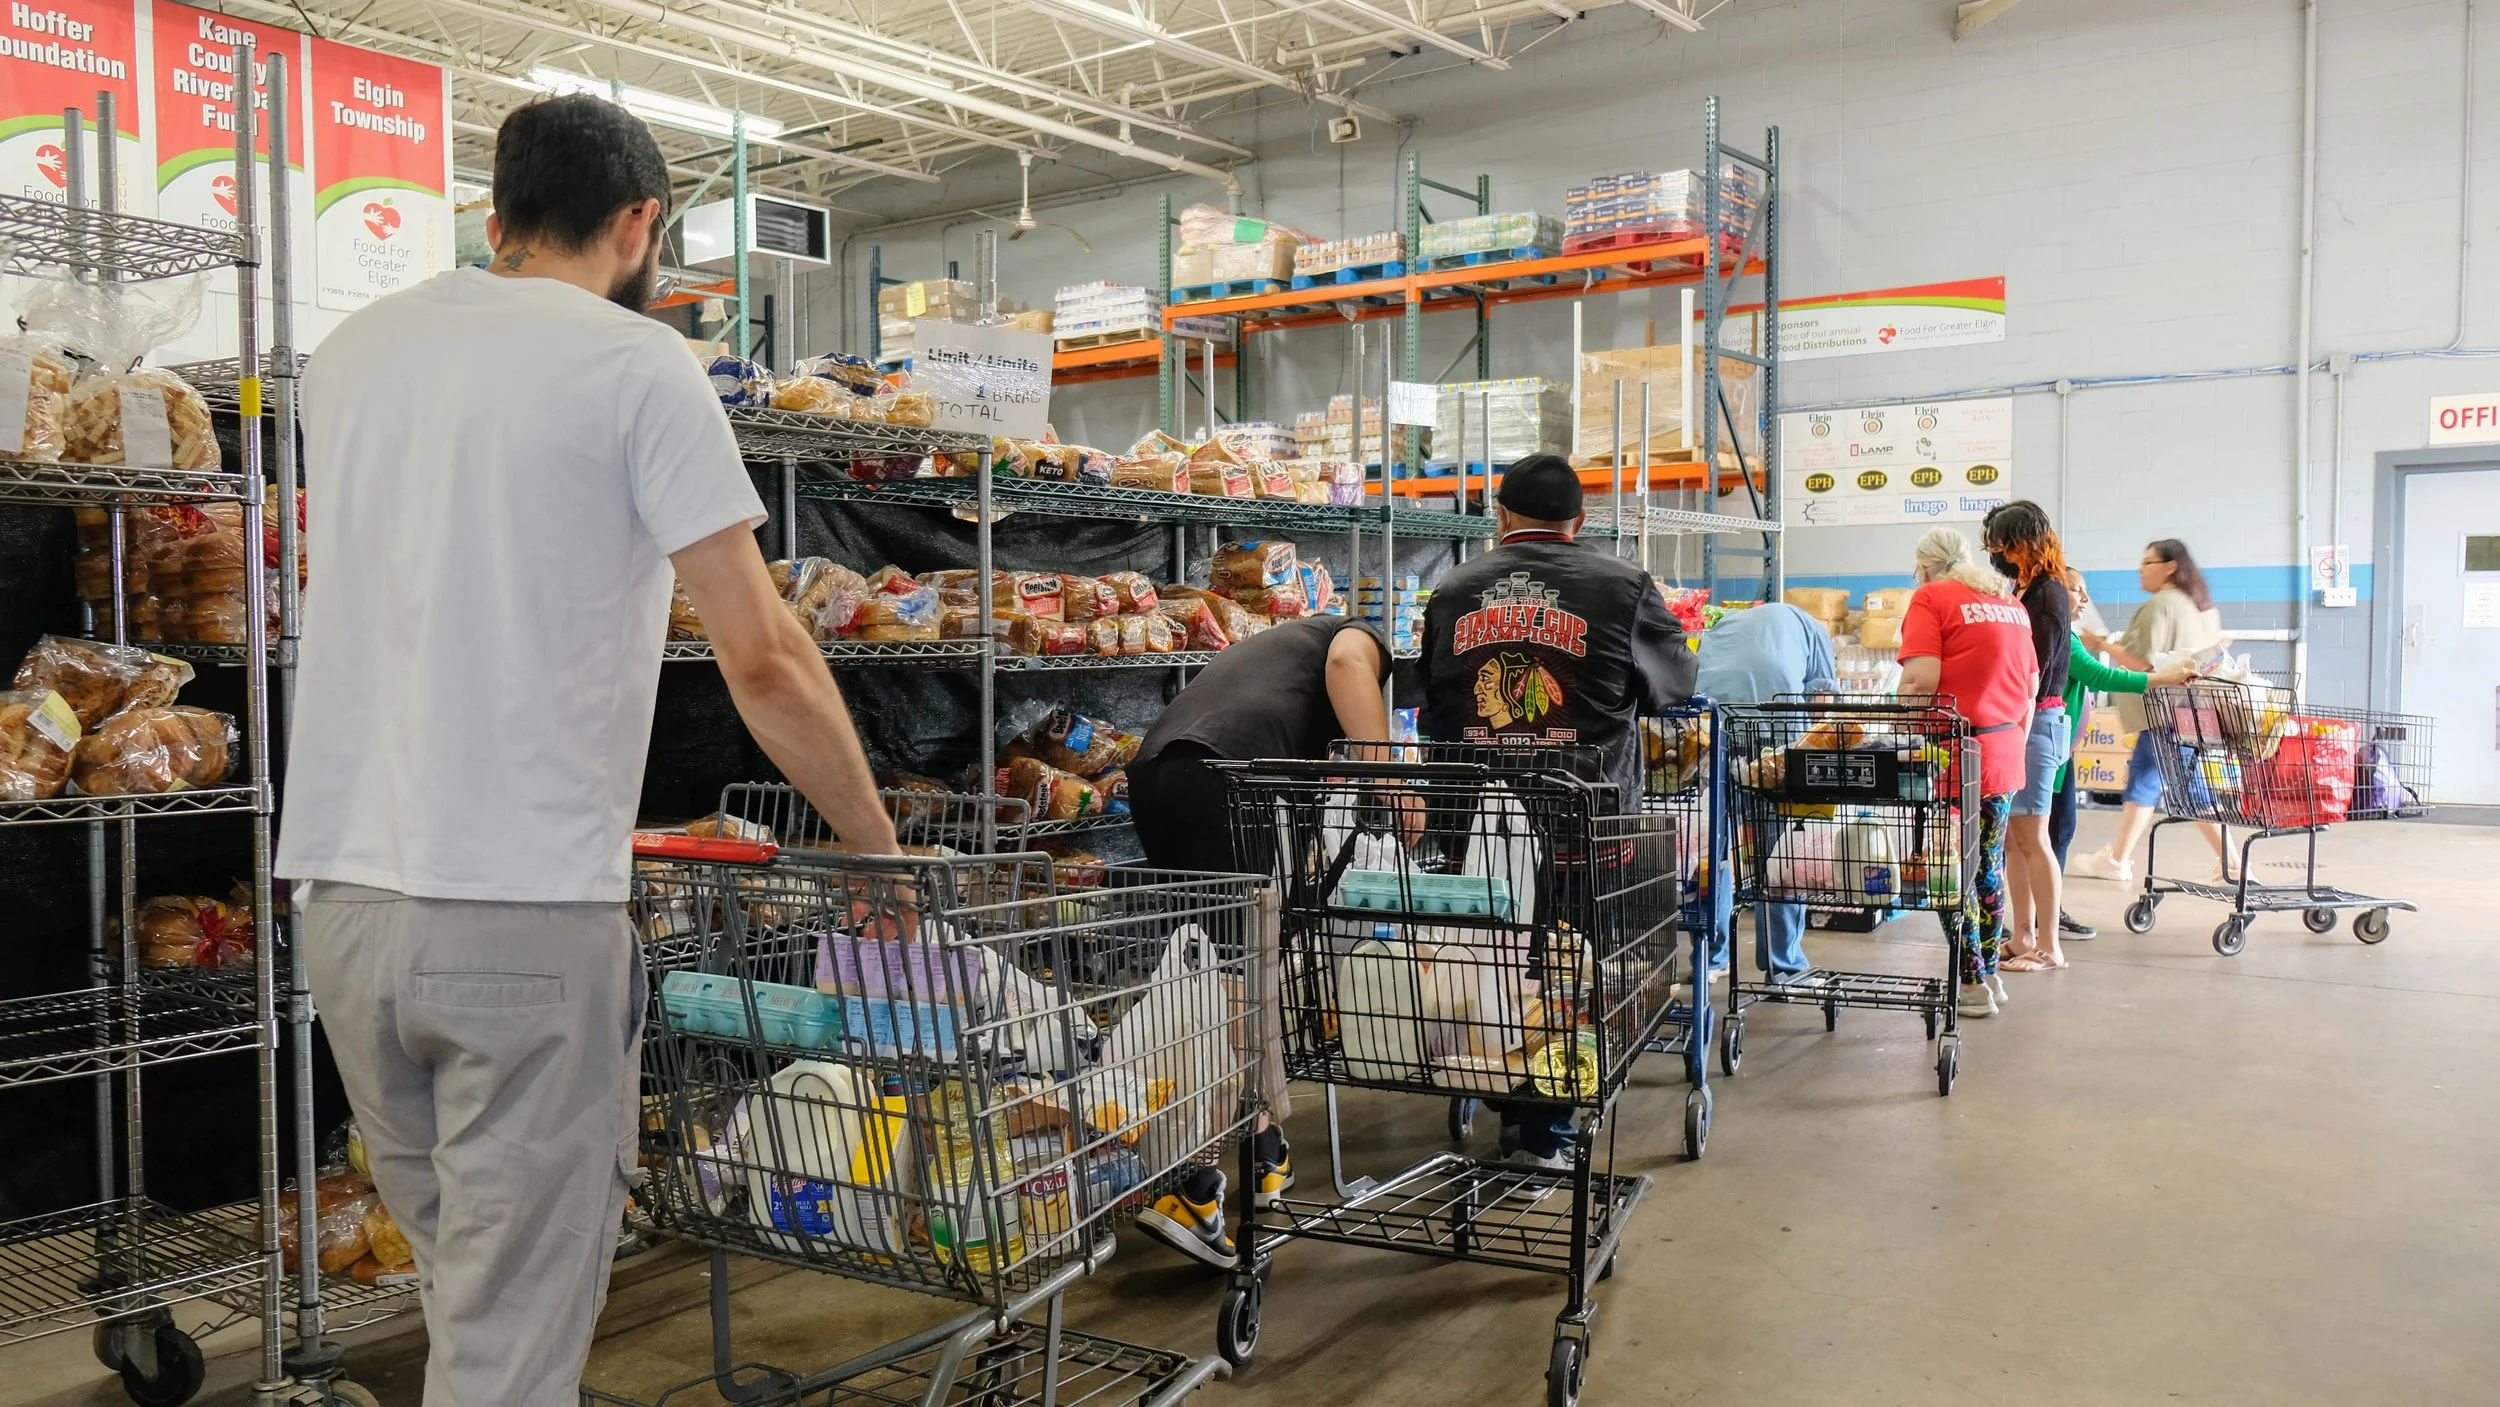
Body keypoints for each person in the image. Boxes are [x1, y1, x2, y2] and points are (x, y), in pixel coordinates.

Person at [277, 97, 903, 1405]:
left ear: (493, 216)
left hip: (340, 892)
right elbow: (766, 654)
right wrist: (874, 843)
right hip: (517, 908)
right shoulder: (640, 367)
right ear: (639, 222)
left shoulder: (349, 355)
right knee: (509, 1341)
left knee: (469, 1297)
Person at [1417, 454, 1699, 1167]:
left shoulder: (1451, 590)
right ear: (1580, 521)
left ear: (1501, 516)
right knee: (1574, 969)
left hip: (1476, 828)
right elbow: (1676, 686)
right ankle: (1544, 1125)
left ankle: (1509, 1094)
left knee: (1496, 964)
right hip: (1586, 824)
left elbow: (1435, 705)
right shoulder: (1624, 585)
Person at [1125, 614, 1400, 1269]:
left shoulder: (1277, 657)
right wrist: (1392, 778)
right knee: (1241, 988)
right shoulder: (1357, 638)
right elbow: (1348, 667)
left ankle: (1264, 1148)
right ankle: (1193, 1183)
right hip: (1227, 779)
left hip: (1159, 774)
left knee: (1206, 975)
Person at [1895, 528, 2038, 1019]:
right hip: (2003, 748)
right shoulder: (2008, 603)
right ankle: (1990, 972)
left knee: (1949, 867)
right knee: (1988, 863)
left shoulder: (1932, 597)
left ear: (1926, 567)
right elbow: (2031, 687)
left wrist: (1898, 730)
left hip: (1952, 754)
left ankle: (1972, 981)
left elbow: (1920, 679)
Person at [2068, 539, 2228, 886]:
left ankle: (2232, 862)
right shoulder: (2200, 606)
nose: (2140, 569)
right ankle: (2117, 857)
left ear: (2170, 566)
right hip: (2191, 712)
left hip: (2164, 711)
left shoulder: (2159, 607)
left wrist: (2101, 645)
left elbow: (2140, 663)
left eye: (2147, 562)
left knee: (2190, 789)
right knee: (2144, 781)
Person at [1694, 601, 1838, 979]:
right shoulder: (1817, 631)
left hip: (1711, 728)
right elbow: (1823, 707)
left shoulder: (1729, 622)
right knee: (1782, 852)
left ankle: (1710, 957)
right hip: (1773, 729)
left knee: (1714, 850)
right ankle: (1783, 965)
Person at [2049, 570, 2193, 937]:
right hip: (2050, 752)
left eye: (2086, 592)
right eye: (2076, 590)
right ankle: (2041, 916)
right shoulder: (2063, 636)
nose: (2084, 599)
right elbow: (2104, 677)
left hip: (2060, 749)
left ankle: (2044, 912)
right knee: (2052, 832)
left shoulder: (2065, 634)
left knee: (2055, 831)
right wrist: (2162, 678)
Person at [1981, 502, 2076, 974]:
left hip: (2037, 722)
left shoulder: (2049, 594)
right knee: (2015, 841)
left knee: (2035, 838)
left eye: (2001, 544)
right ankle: (2022, 935)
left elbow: (2033, 671)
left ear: (2022, 542)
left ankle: (2051, 946)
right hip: (2020, 724)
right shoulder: (2027, 589)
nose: (1996, 553)